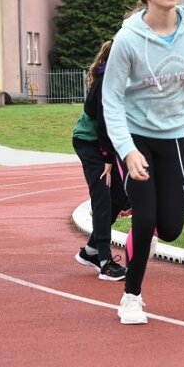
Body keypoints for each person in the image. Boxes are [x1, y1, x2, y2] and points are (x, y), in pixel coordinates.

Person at [102, 0, 184, 324]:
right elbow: (111, 99)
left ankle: (148, 238)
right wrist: (126, 150)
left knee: (172, 229)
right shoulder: (128, 39)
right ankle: (131, 296)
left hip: (176, 134)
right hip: (136, 136)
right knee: (144, 219)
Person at [72, 39, 128, 281]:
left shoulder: (122, 78)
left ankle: (91, 250)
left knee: (120, 197)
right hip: (91, 143)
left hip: (105, 144)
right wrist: (107, 156)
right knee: (103, 196)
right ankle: (105, 262)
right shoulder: (108, 81)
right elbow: (106, 119)